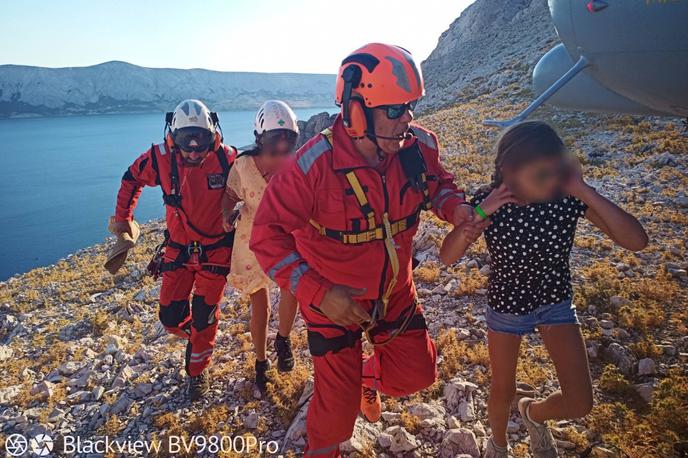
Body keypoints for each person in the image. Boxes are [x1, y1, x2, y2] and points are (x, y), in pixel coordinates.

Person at [250, 43, 477, 456]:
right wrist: (319, 294)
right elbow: (266, 234)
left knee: (417, 376)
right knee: (334, 418)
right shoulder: (313, 165)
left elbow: (438, 185)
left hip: (395, 294)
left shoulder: (418, 147)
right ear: (357, 110)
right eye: (394, 110)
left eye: (408, 107)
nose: (407, 118)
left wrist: (455, 208)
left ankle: (366, 378)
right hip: (332, 304)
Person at [439, 121, 648, 458]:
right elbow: (447, 257)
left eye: (557, 172)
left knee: (580, 402)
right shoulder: (491, 202)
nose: (551, 182)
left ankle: (533, 414)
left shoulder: (565, 198)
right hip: (506, 305)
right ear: (509, 171)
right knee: (501, 388)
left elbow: (636, 241)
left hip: (554, 300)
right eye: (541, 175)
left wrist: (582, 189)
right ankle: (498, 445)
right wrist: (479, 214)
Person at [112, 99, 237, 401]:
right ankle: (198, 337)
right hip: (179, 252)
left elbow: (257, 186)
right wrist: (124, 218)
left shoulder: (227, 159)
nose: (194, 150)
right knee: (169, 318)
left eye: (201, 142)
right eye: (186, 143)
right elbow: (131, 178)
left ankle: (198, 371)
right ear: (174, 136)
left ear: (212, 134)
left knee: (205, 316)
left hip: (216, 253)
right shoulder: (160, 159)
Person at [221, 100, 300, 393]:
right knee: (260, 304)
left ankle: (284, 339)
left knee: (293, 287)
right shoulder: (242, 165)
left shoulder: (296, 165)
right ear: (259, 140)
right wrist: (226, 217)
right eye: (273, 145)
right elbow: (229, 194)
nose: (280, 152)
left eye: (287, 145)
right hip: (251, 240)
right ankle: (261, 362)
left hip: (286, 235)